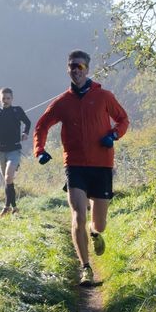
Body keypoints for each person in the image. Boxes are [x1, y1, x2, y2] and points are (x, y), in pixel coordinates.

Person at [33, 50, 129, 286]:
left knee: (100, 223)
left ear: (87, 69)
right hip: (74, 165)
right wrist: (40, 150)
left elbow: (123, 119)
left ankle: (95, 233)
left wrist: (114, 135)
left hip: (102, 164)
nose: (76, 70)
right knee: (78, 214)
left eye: (80, 66)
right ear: (68, 70)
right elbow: (41, 126)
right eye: (72, 66)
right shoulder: (62, 102)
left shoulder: (104, 96)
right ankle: (86, 268)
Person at [0, 87, 31, 216]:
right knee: (8, 180)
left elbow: (27, 122)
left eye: (8, 98)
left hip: (14, 149)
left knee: (8, 176)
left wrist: (25, 133)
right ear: (0, 99)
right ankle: (14, 207)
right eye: (3, 98)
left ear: (12, 99)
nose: (5, 100)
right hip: (1, 151)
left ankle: (6, 207)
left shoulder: (17, 110)